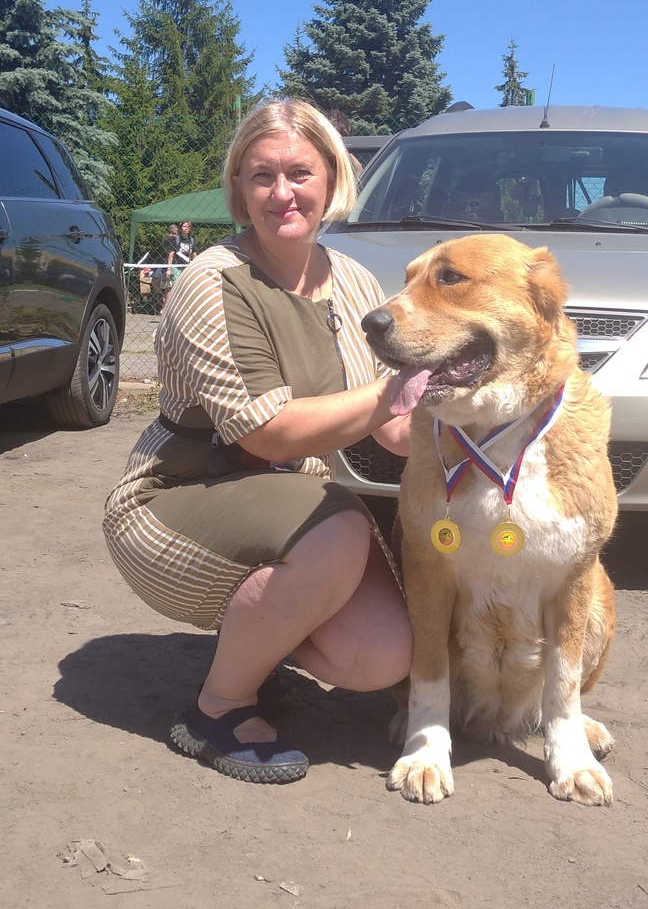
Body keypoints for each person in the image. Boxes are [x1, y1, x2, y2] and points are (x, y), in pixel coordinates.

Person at [103, 98, 416, 785]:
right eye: (261, 176)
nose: (282, 193)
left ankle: (255, 640)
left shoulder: (353, 279)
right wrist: (404, 385)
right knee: (339, 528)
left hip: (283, 505)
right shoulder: (213, 281)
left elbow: (392, 430)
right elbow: (262, 431)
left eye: (299, 172)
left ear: (331, 178)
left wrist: (478, 428)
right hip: (175, 495)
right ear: (238, 189)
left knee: (381, 657)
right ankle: (217, 706)